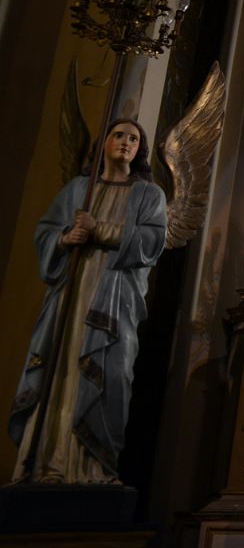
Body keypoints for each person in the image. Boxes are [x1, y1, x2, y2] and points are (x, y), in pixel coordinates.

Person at [9, 119, 168, 483]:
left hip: (113, 301)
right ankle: (48, 462)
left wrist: (102, 230)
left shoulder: (148, 195)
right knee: (60, 369)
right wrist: (65, 239)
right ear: (104, 143)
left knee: (110, 374)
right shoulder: (78, 190)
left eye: (133, 138)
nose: (125, 142)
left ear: (139, 149)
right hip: (71, 294)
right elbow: (46, 232)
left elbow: (151, 243)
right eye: (118, 135)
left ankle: (94, 469)